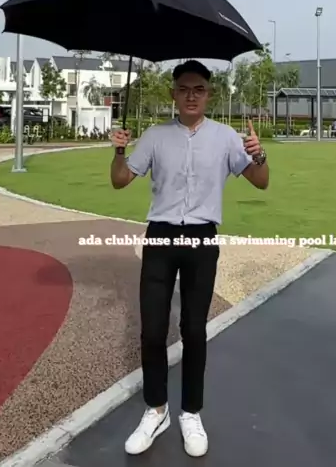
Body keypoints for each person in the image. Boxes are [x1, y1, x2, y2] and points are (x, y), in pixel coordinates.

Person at [110, 59, 269, 457]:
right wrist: (119, 151)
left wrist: (259, 155)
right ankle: (156, 409)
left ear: (209, 94)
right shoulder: (155, 136)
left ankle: (190, 412)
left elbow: (261, 182)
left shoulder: (226, 138)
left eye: (199, 89)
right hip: (161, 237)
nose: (191, 96)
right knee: (152, 329)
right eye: (184, 89)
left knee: (194, 329)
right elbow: (120, 180)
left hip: (201, 238)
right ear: (173, 94)